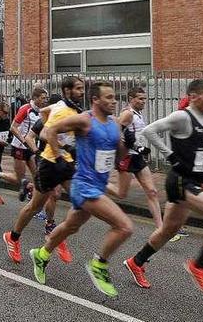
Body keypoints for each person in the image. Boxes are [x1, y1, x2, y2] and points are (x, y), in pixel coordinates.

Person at [123, 79, 203, 296]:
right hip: (180, 181)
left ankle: (136, 262)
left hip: (192, 179)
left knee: (168, 230)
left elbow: (200, 148)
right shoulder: (182, 117)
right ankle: (199, 266)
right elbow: (149, 131)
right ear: (194, 96)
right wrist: (170, 155)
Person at [30, 81, 132, 298]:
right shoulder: (85, 120)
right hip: (83, 186)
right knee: (124, 226)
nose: (113, 101)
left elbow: (116, 160)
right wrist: (58, 157)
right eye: (108, 97)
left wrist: (126, 145)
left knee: (70, 226)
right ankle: (99, 265)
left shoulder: (114, 124)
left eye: (114, 97)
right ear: (95, 100)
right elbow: (52, 130)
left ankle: (41, 253)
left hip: (98, 185)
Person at [4, 76, 83, 265]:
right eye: (78, 88)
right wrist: (56, 151)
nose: (82, 91)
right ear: (67, 91)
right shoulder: (62, 110)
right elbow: (46, 133)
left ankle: (56, 236)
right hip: (51, 163)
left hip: (65, 163)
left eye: (83, 88)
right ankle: (13, 237)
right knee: (35, 206)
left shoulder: (70, 109)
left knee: (80, 202)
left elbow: (44, 112)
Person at [112, 87, 164, 230]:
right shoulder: (128, 114)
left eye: (144, 98)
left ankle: (160, 228)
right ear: (131, 98)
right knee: (121, 194)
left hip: (137, 157)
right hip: (127, 157)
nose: (143, 101)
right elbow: (116, 132)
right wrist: (130, 146)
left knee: (152, 191)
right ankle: (95, 184)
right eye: (140, 99)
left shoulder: (138, 113)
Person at [9, 86, 49, 201]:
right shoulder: (25, 108)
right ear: (35, 98)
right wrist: (24, 141)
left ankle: (33, 198)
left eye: (46, 98)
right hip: (19, 146)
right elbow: (13, 128)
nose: (45, 100)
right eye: (42, 98)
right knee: (19, 178)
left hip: (31, 147)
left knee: (37, 175)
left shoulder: (42, 111)